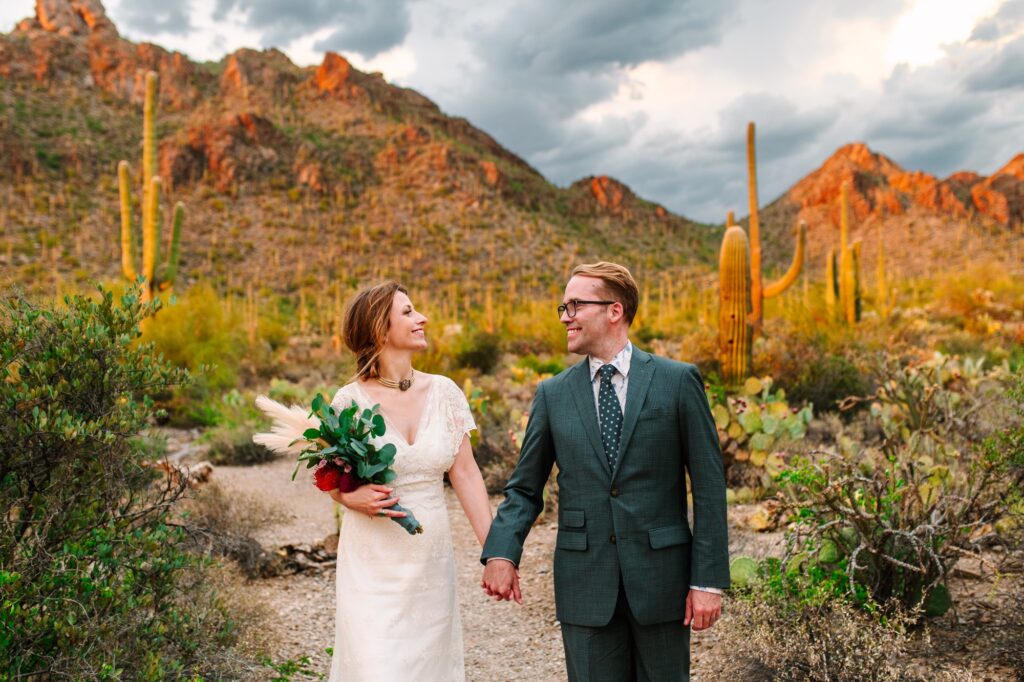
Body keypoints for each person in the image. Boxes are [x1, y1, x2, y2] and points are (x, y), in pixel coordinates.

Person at [481, 262, 730, 681]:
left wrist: (707, 580)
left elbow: (708, 487)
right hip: (584, 583)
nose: (566, 316)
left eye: (576, 305)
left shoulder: (677, 381)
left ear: (614, 310)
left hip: (661, 582)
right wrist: (502, 551)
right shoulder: (553, 394)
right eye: (563, 306)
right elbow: (524, 489)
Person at [324, 281, 492, 681]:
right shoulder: (347, 402)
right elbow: (328, 475)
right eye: (408, 312)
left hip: (431, 561)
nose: (422, 318)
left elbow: (465, 474)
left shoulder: (446, 392)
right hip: (372, 561)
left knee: (428, 665)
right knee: (376, 665)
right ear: (380, 328)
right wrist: (351, 498)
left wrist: (496, 551)